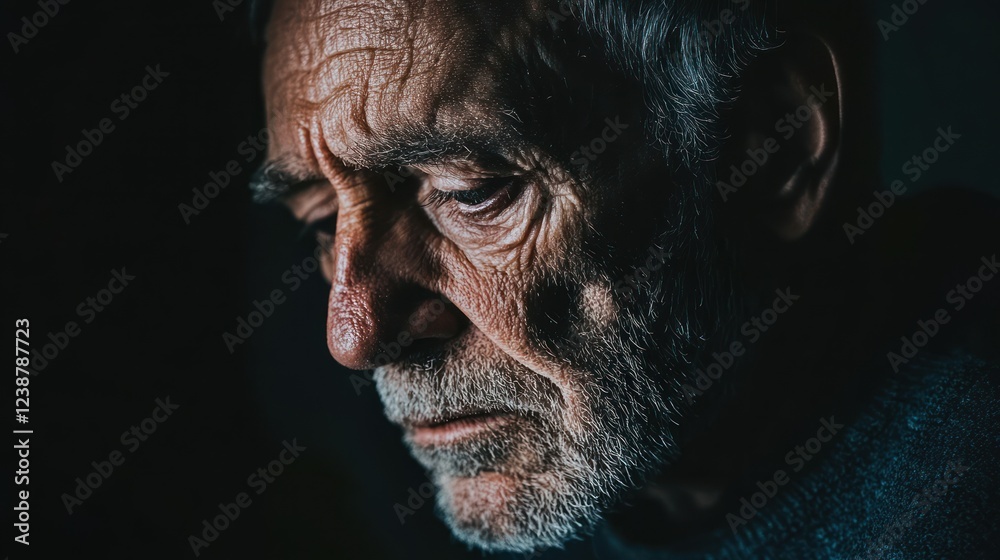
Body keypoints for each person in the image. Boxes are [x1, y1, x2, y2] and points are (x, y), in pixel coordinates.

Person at [249, 0, 1000, 556]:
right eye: (322, 222)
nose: (354, 334)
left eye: (473, 190)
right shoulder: (609, 477)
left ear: (772, 145)